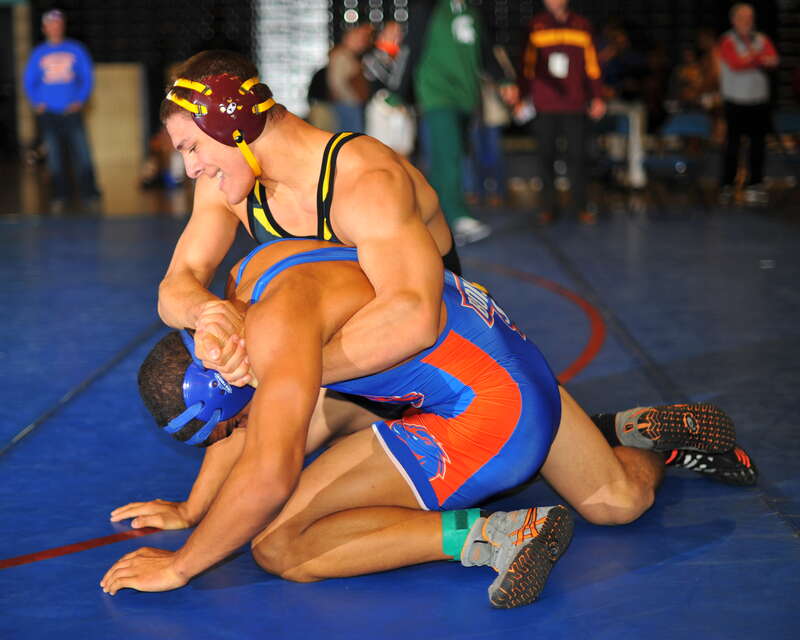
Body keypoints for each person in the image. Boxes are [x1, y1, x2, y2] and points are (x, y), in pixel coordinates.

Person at [101, 238, 756, 606]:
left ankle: (500, 533)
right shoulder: (252, 276)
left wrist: (183, 563)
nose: (232, 436)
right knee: (619, 500)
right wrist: (194, 506)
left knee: (278, 545)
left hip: (483, 412)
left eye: (227, 425)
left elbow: (268, 467)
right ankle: (634, 433)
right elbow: (257, 429)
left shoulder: (280, 346)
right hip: (502, 353)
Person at [156, 50, 461, 397]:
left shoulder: (364, 179)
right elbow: (173, 288)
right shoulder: (222, 186)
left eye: (192, 147)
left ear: (231, 125)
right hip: (354, 355)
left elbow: (415, 318)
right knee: (206, 408)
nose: (191, 169)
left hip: (444, 362)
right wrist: (209, 313)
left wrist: (282, 370)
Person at [518, 0, 606, 225]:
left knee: (578, 157)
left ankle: (582, 205)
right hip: (544, 105)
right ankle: (548, 207)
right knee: (545, 157)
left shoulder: (582, 25)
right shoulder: (535, 25)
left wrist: (597, 96)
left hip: (574, 105)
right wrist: (521, 97)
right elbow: (527, 66)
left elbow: (592, 64)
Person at [22, 8, 101, 214]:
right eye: (50, 25)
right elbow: (29, 81)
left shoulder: (76, 49)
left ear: (62, 26)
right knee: (54, 157)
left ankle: (90, 194)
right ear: (44, 28)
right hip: (49, 113)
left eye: (58, 24)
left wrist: (80, 99)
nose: (55, 28)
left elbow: (87, 77)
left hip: (72, 112)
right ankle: (59, 195)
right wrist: (36, 102)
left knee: (82, 153)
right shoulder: (38, 53)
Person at [717, 3, 779, 206]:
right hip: (736, 101)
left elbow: (774, 60)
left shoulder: (761, 38)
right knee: (733, 144)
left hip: (758, 101)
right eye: (743, 17)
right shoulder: (727, 40)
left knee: (758, 144)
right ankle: (727, 184)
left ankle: (756, 184)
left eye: (750, 17)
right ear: (734, 20)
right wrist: (758, 58)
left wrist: (751, 58)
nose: (748, 21)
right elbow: (735, 64)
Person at [326, 23, 373, 134]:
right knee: (351, 138)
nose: (362, 42)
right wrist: (352, 99)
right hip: (347, 105)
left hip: (349, 104)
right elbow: (336, 82)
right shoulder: (341, 55)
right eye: (358, 38)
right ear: (348, 37)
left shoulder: (349, 55)